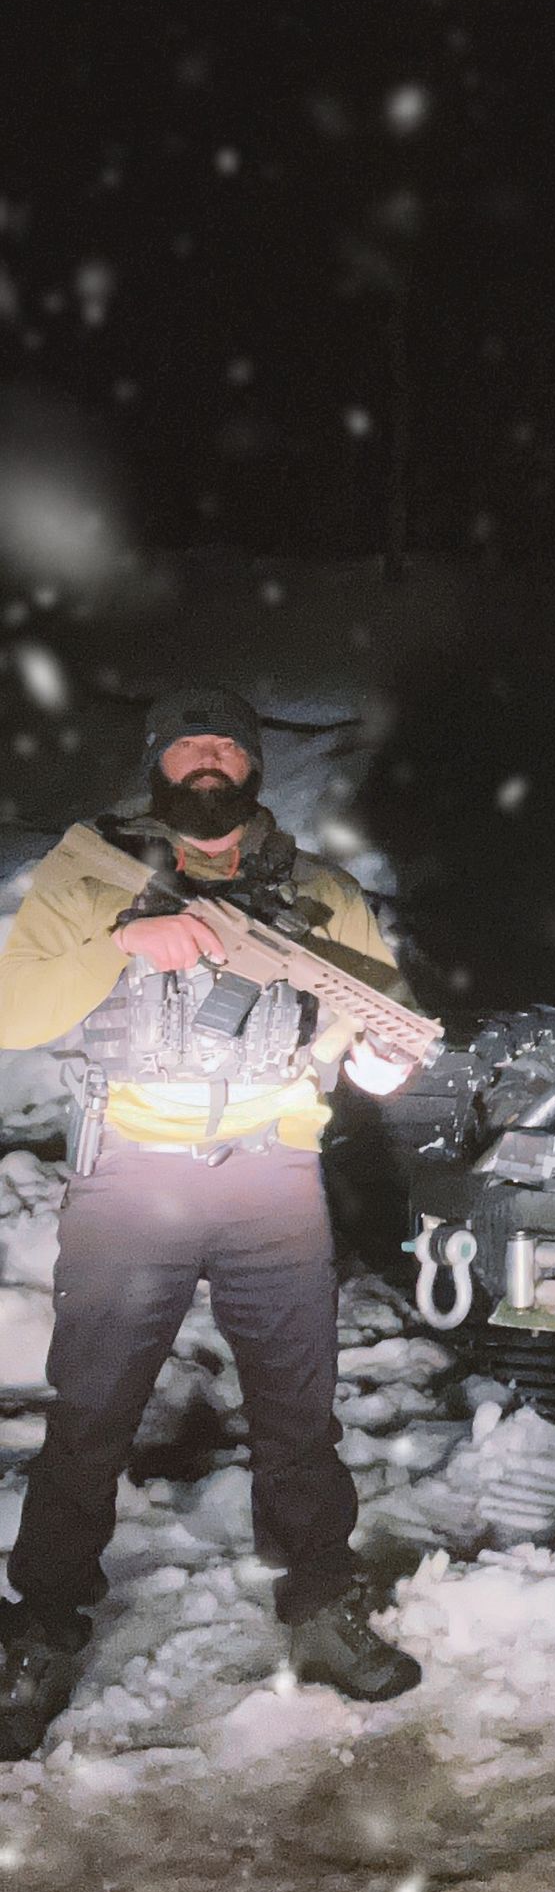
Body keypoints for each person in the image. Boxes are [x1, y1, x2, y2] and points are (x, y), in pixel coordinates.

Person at [0, 686, 425, 1759]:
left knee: (299, 1412)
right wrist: (128, 940)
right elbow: (15, 1010)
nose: (205, 763)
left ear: (252, 769)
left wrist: (379, 1061)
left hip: (273, 1179)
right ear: (156, 763)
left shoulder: (320, 893)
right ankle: (41, 1624)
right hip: (132, 1175)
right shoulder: (93, 868)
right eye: (187, 746)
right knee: (91, 1412)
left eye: (225, 748)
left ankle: (321, 1601)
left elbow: (370, 1029)